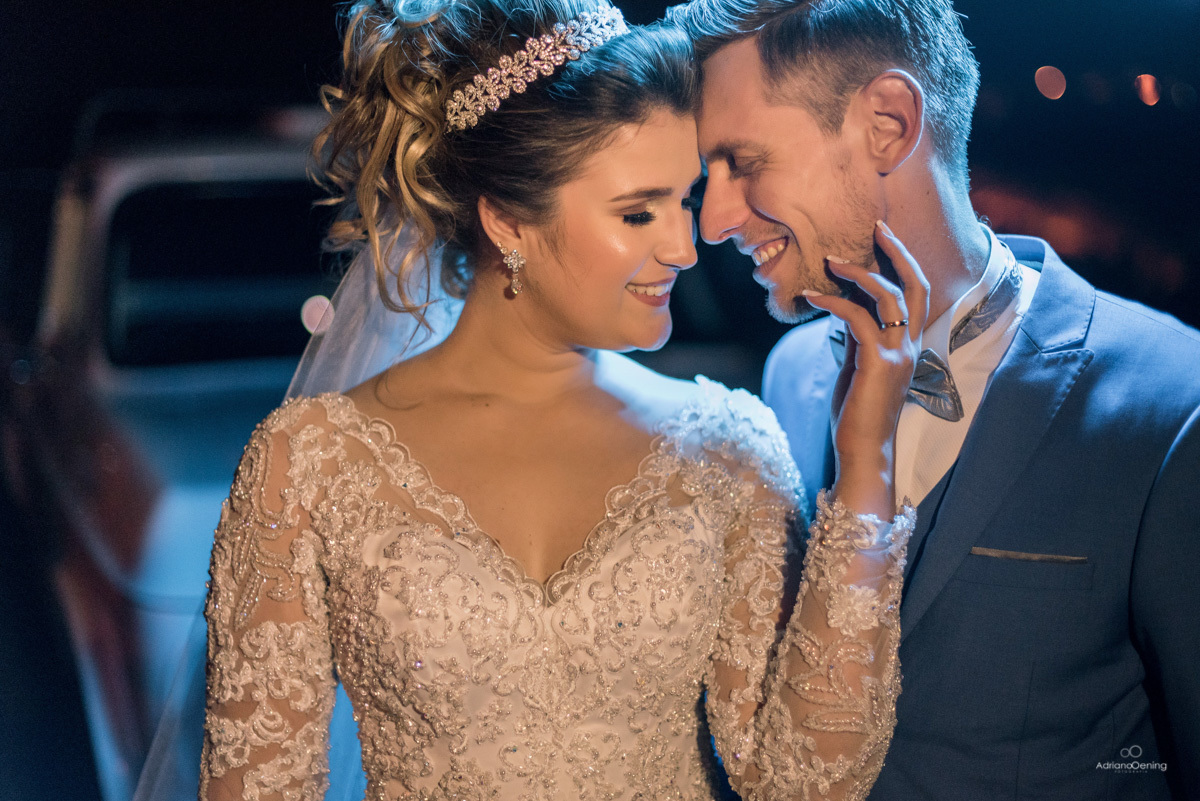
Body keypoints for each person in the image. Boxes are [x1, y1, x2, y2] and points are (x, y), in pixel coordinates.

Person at [196, 1, 930, 799]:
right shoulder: (306, 463)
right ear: (507, 219)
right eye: (638, 211)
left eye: (682, 202)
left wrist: (866, 464)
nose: (687, 246)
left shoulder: (732, 451)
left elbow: (804, 785)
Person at [667, 0, 1200, 797]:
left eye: (741, 162)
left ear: (888, 123)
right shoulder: (790, 375)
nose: (712, 220)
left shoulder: (1170, 403)